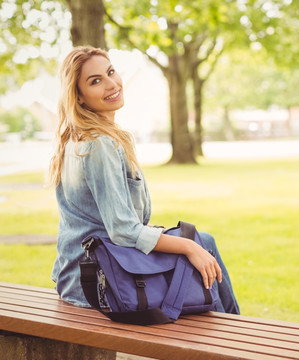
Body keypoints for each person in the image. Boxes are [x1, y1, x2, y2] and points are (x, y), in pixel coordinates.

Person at [48, 46, 240, 314]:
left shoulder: (79, 140)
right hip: (99, 280)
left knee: (202, 241)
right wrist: (187, 246)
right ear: (78, 97)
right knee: (198, 245)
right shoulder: (98, 145)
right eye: (95, 81)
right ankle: (229, 334)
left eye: (110, 72)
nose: (111, 84)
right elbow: (124, 230)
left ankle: (228, 328)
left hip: (78, 274)